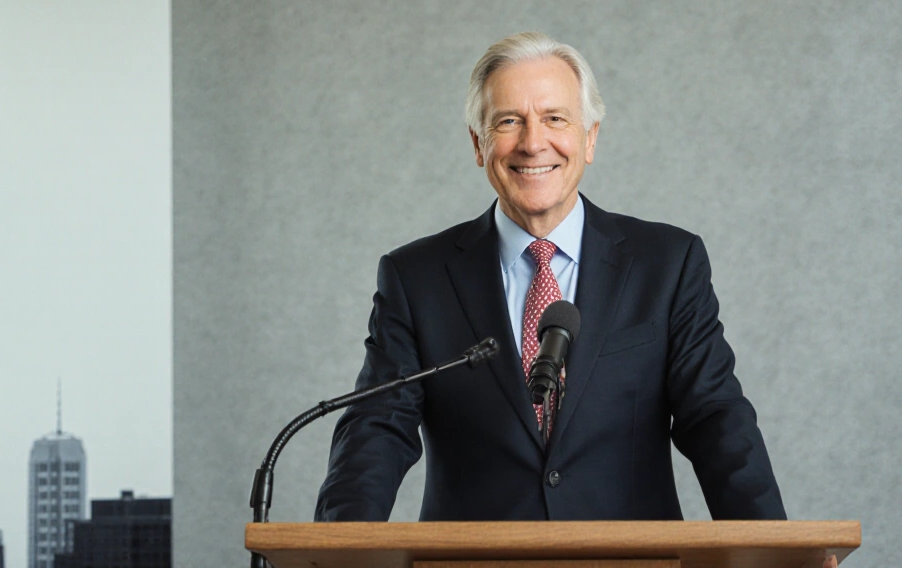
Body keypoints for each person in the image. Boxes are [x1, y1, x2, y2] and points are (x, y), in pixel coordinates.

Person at [315, 31, 786, 523]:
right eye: (508, 121)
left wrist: (776, 551)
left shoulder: (667, 263)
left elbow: (715, 418)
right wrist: (335, 550)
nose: (533, 142)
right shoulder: (416, 278)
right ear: (479, 144)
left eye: (555, 118)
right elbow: (377, 429)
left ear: (590, 138)